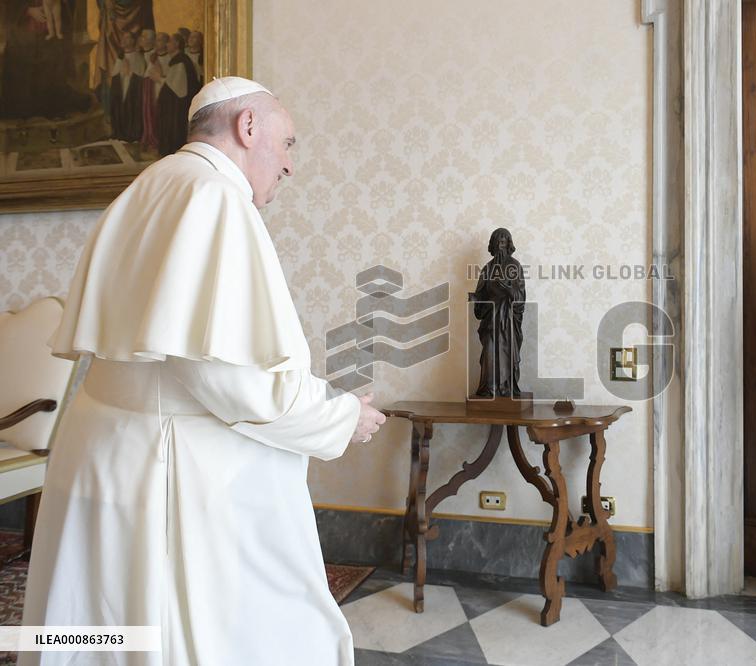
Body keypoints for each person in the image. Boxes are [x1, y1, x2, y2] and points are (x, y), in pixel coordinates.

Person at [20, 77, 386, 666]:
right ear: (247, 128)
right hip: (171, 471)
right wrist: (342, 417)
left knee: (98, 630)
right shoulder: (215, 197)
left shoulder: (149, 185)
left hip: (102, 451)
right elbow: (225, 379)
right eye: (288, 143)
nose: (289, 165)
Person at [472, 227, 525, 397]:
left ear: (508, 244)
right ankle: (490, 388)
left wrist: (508, 289)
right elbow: (480, 297)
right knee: (489, 352)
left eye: (503, 242)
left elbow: (521, 296)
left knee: (507, 353)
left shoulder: (514, 266)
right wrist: (475, 300)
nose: (500, 246)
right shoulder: (487, 269)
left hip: (508, 321)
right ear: (492, 245)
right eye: (497, 242)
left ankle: (507, 387)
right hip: (491, 320)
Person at [109, 31, 146, 142]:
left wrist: (129, 72)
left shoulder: (138, 57)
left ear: (133, 41)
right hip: (121, 88)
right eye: (123, 38)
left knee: (131, 108)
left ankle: (131, 133)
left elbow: (140, 75)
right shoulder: (120, 57)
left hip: (131, 89)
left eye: (127, 38)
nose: (124, 40)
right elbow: (115, 74)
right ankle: (119, 131)